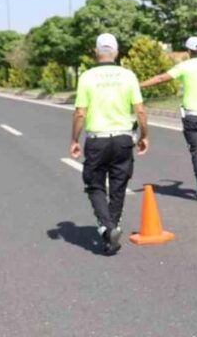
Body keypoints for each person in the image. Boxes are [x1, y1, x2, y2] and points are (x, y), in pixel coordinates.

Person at [140, 10, 197, 201]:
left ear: (189, 52)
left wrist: (138, 84)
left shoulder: (184, 66)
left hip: (191, 117)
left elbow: (161, 78)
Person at [70, 33, 149, 256]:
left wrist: (75, 139)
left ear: (96, 52)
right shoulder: (128, 76)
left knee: (95, 185)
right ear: (116, 52)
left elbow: (79, 113)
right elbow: (140, 110)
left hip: (97, 140)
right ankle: (112, 230)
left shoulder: (86, 77)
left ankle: (108, 228)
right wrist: (144, 135)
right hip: (124, 139)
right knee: (118, 186)